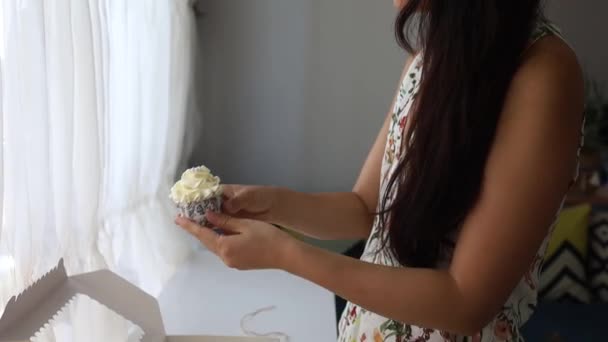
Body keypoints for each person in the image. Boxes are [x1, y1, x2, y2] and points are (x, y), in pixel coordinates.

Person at [175, 0, 584, 340]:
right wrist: (270, 205)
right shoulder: (429, 56)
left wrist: (284, 253)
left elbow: (465, 303)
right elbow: (366, 208)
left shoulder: (543, 73)